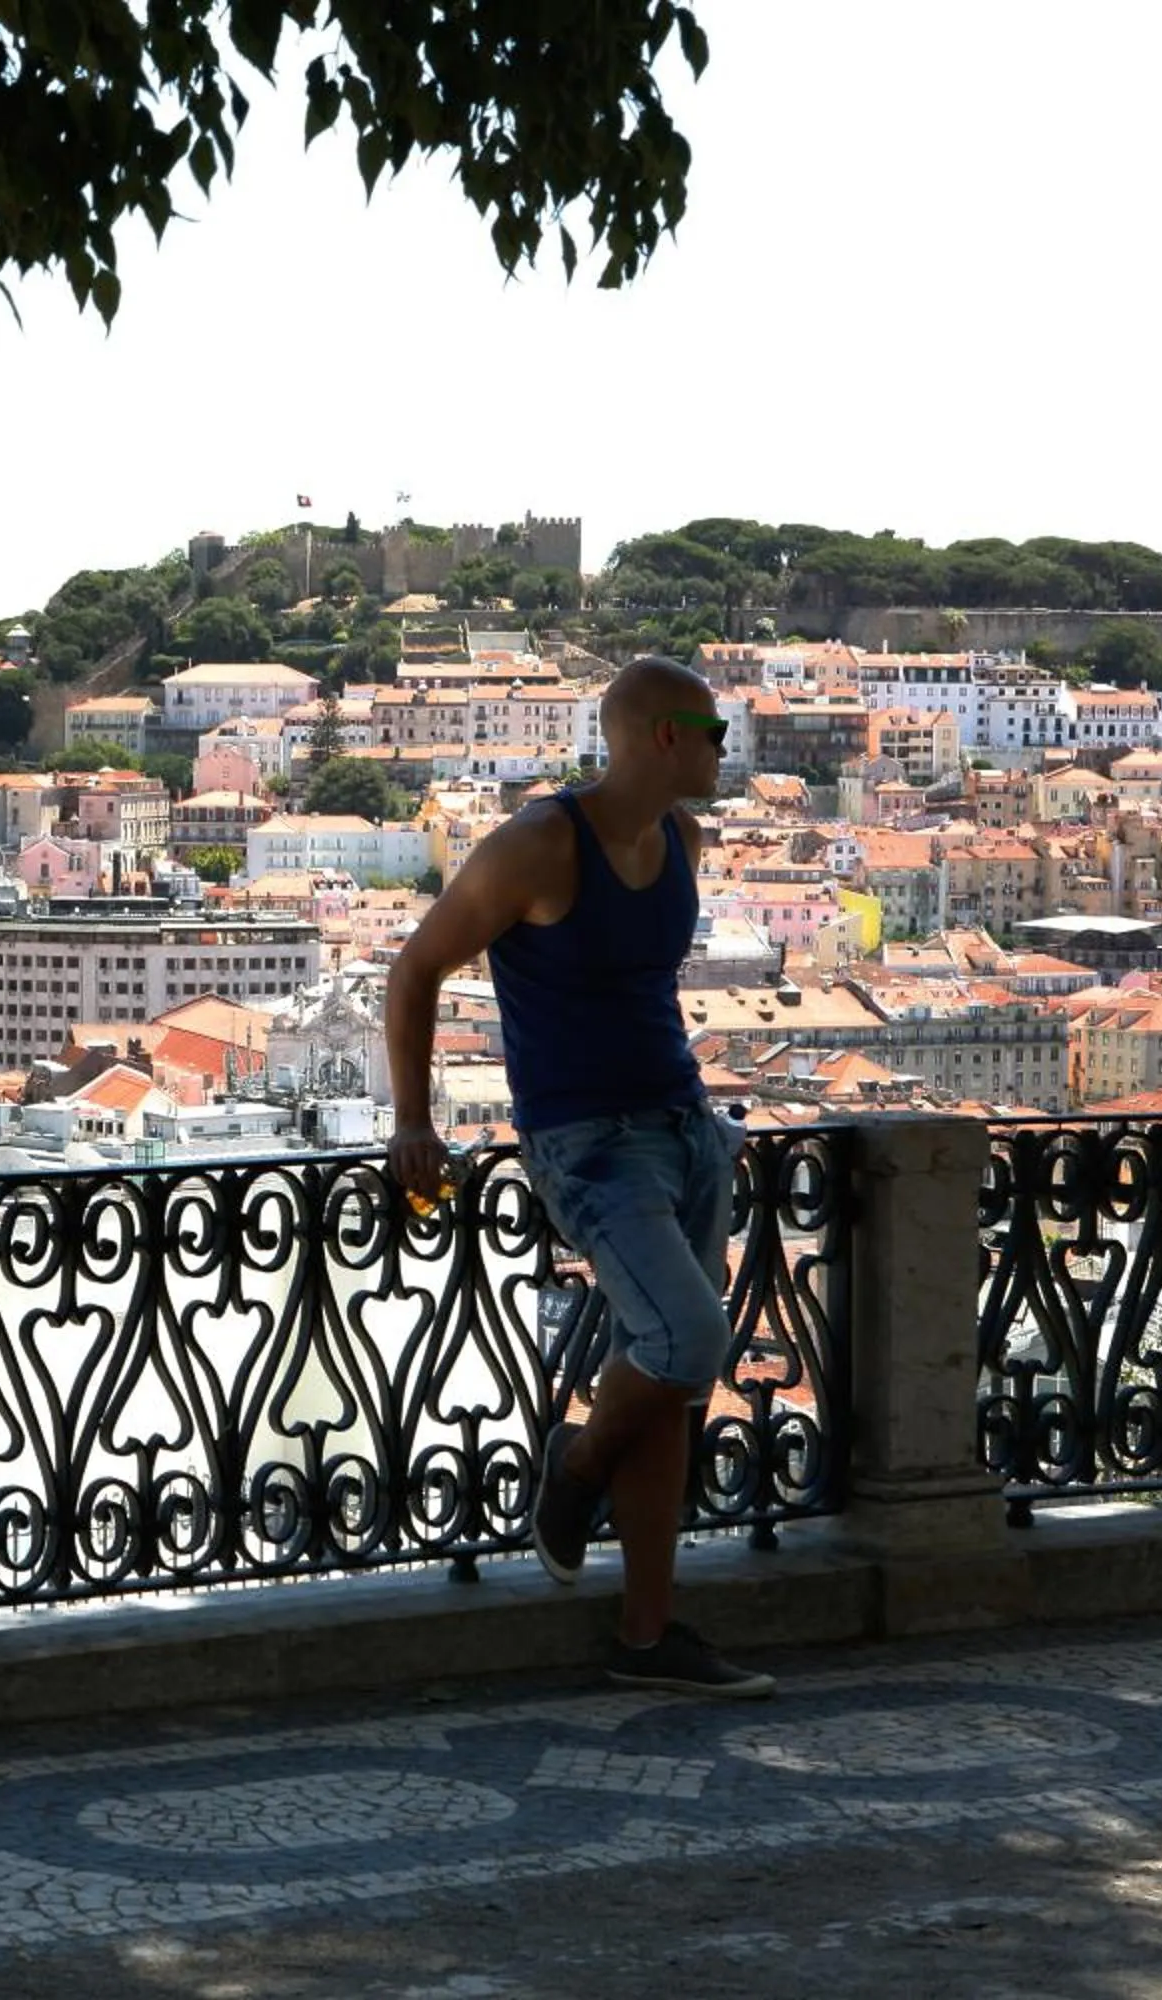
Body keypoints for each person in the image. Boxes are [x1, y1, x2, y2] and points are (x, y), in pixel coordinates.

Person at [383, 656, 774, 1699]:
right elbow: (415, 966)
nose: (724, 747)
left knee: (674, 1387)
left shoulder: (682, 840)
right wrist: (412, 1119)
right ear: (660, 736)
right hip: (588, 1144)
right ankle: (574, 1465)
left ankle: (648, 1635)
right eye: (714, 730)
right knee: (689, 1340)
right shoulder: (540, 843)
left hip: (685, 1130)